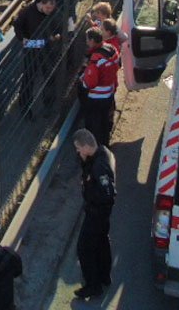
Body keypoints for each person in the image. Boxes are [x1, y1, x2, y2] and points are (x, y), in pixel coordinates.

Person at [73, 128, 116, 300]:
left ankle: (93, 285)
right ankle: (104, 277)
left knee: (84, 248)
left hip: (96, 214)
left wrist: (90, 190)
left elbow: (107, 193)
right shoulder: (102, 154)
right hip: (101, 214)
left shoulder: (99, 167)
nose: (77, 152)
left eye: (78, 149)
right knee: (102, 243)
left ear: (85, 146)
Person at [14, 0, 61, 117]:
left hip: (47, 49)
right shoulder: (28, 11)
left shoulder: (54, 11)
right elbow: (17, 25)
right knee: (29, 79)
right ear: (41, 4)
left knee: (49, 76)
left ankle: (48, 106)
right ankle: (25, 108)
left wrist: (57, 35)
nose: (50, 11)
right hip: (32, 49)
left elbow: (60, 25)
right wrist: (22, 38)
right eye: (47, 8)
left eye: (52, 8)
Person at [80, 29, 120, 147]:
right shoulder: (112, 49)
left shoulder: (96, 58)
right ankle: (105, 144)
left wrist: (83, 80)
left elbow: (90, 82)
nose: (86, 42)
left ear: (92, 40)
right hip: (109, 92)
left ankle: (94, 148)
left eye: (87, 39)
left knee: (93, 124)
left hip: (96, 97)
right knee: (104, 121)